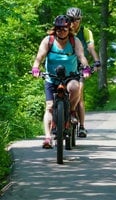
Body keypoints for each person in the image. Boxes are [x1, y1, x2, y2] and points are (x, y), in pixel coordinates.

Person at [32, 15, 91, 149]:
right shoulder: (48, 41)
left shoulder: (74, 41)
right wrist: (35, 68)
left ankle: (70, 111)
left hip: (70, 76)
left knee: (75, 87)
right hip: (52, 77)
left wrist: (86, 68)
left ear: (68, 28)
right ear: (55, 29)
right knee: (49, 107)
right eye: (58, 29)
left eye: (64, 29)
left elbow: (81, 56)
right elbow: (39, 57)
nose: (61, 31)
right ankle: (47, 138)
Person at [66, 7, 101, 138]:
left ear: (80, 20)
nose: (74, 22)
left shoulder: (86, 32)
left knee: (79, 93)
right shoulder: (63, 30)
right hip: (65, 64)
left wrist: (97, 61)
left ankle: (81, 126)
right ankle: (58, 118)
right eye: (71, 19)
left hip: (80, 65)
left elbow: (91, 48)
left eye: (77, 20)